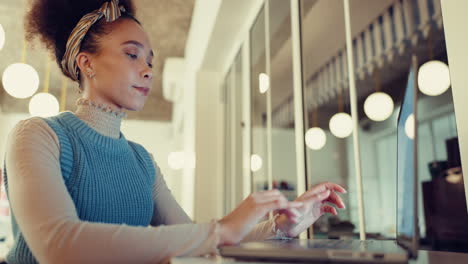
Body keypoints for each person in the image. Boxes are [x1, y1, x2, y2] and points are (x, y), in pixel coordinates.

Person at [2, 0, 347, 263]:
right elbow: (58, 245)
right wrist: (219, 230)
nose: (149, 70)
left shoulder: (141, 162)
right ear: (86, 62)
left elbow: (195, 238)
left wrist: (282, 226)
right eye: (132, 54)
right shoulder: (38, 136)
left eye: (150, 61)